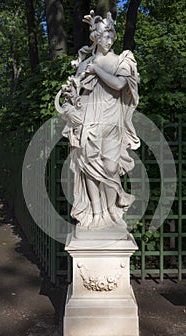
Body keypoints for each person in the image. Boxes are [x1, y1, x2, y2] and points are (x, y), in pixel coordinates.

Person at [55, 11, 140, 229]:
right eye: (104, 36)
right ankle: (95, 213)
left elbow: (120, 85)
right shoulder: (86, 64)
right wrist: (69, 100)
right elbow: (77, 94)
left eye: (111, 35)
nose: (109, 39)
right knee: (89, 168)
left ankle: (112, 212)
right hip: (89, 121)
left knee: (110, 168)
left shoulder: (122, 60)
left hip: (111, 122)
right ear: (95, 38)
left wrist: (97, 70)